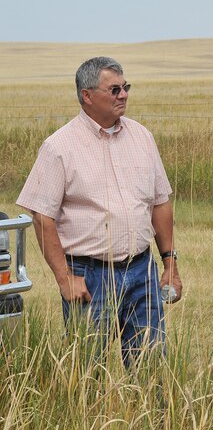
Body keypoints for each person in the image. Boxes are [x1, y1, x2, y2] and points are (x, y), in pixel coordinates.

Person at [17, 56, 182, 367]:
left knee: (152, 365)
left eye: (126, 87)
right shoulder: (58, 147)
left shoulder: (142, 137)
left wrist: (170, 263)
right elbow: (41, 217)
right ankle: (88, 418)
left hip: (142, 269)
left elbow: (160, 202)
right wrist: (65, 278)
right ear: (87, 96)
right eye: (115, 89)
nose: (123, 95)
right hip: (89, 275)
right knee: (89, 369)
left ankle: (152, 417)